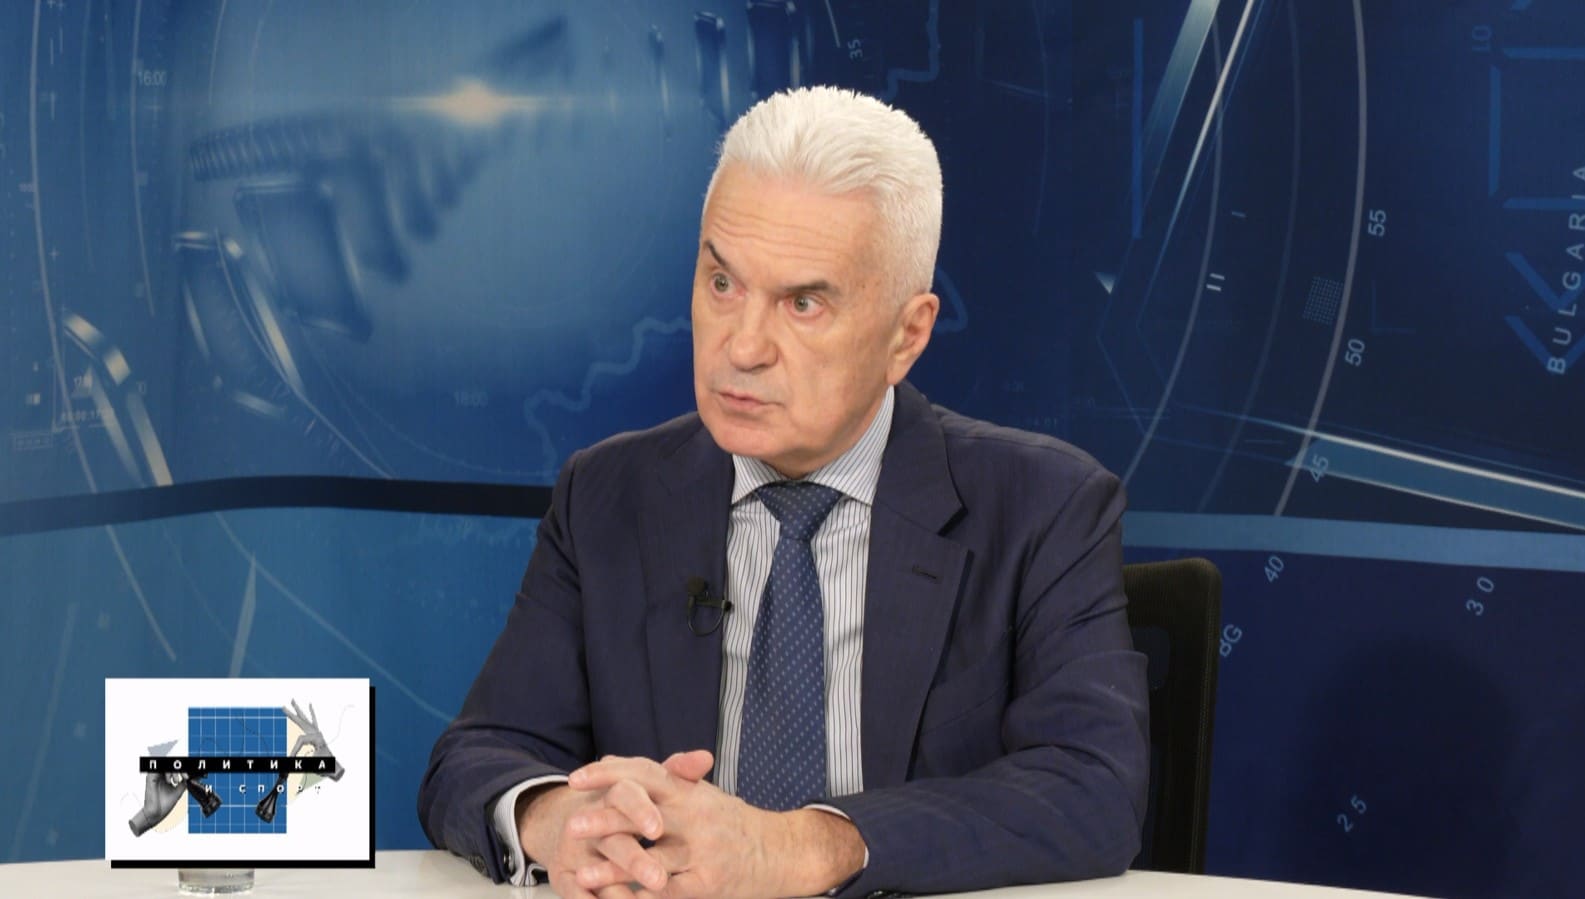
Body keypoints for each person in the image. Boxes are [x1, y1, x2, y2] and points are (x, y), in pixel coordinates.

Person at [418, 85, 1149, 899]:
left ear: (906, 333)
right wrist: (561, 818)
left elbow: (1092, 786)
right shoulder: (607, 496)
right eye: (721, 283)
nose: (742, 346)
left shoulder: (1043, 506)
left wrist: (799, 847)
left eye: (802, 303)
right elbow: (475, 756)